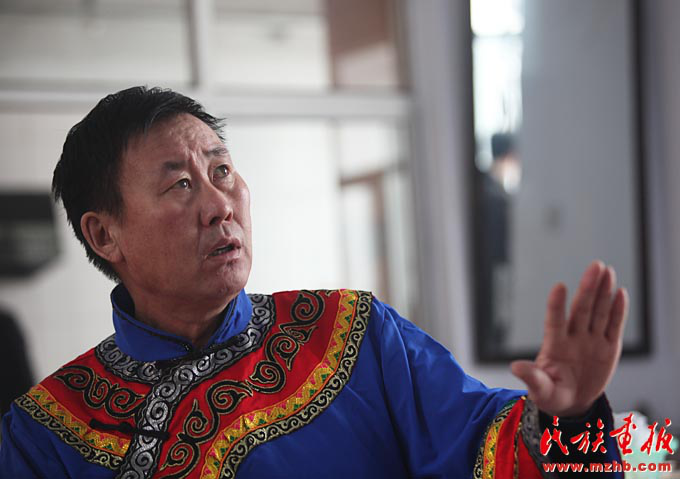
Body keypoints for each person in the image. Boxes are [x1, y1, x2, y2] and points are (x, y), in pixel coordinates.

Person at [0, 87, 629, 478]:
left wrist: (570, 417)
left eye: (222, 171)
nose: (219, 205)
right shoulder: (48, 433)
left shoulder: (351, 335)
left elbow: (486, 446)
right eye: (181, 184)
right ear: (105, 235)